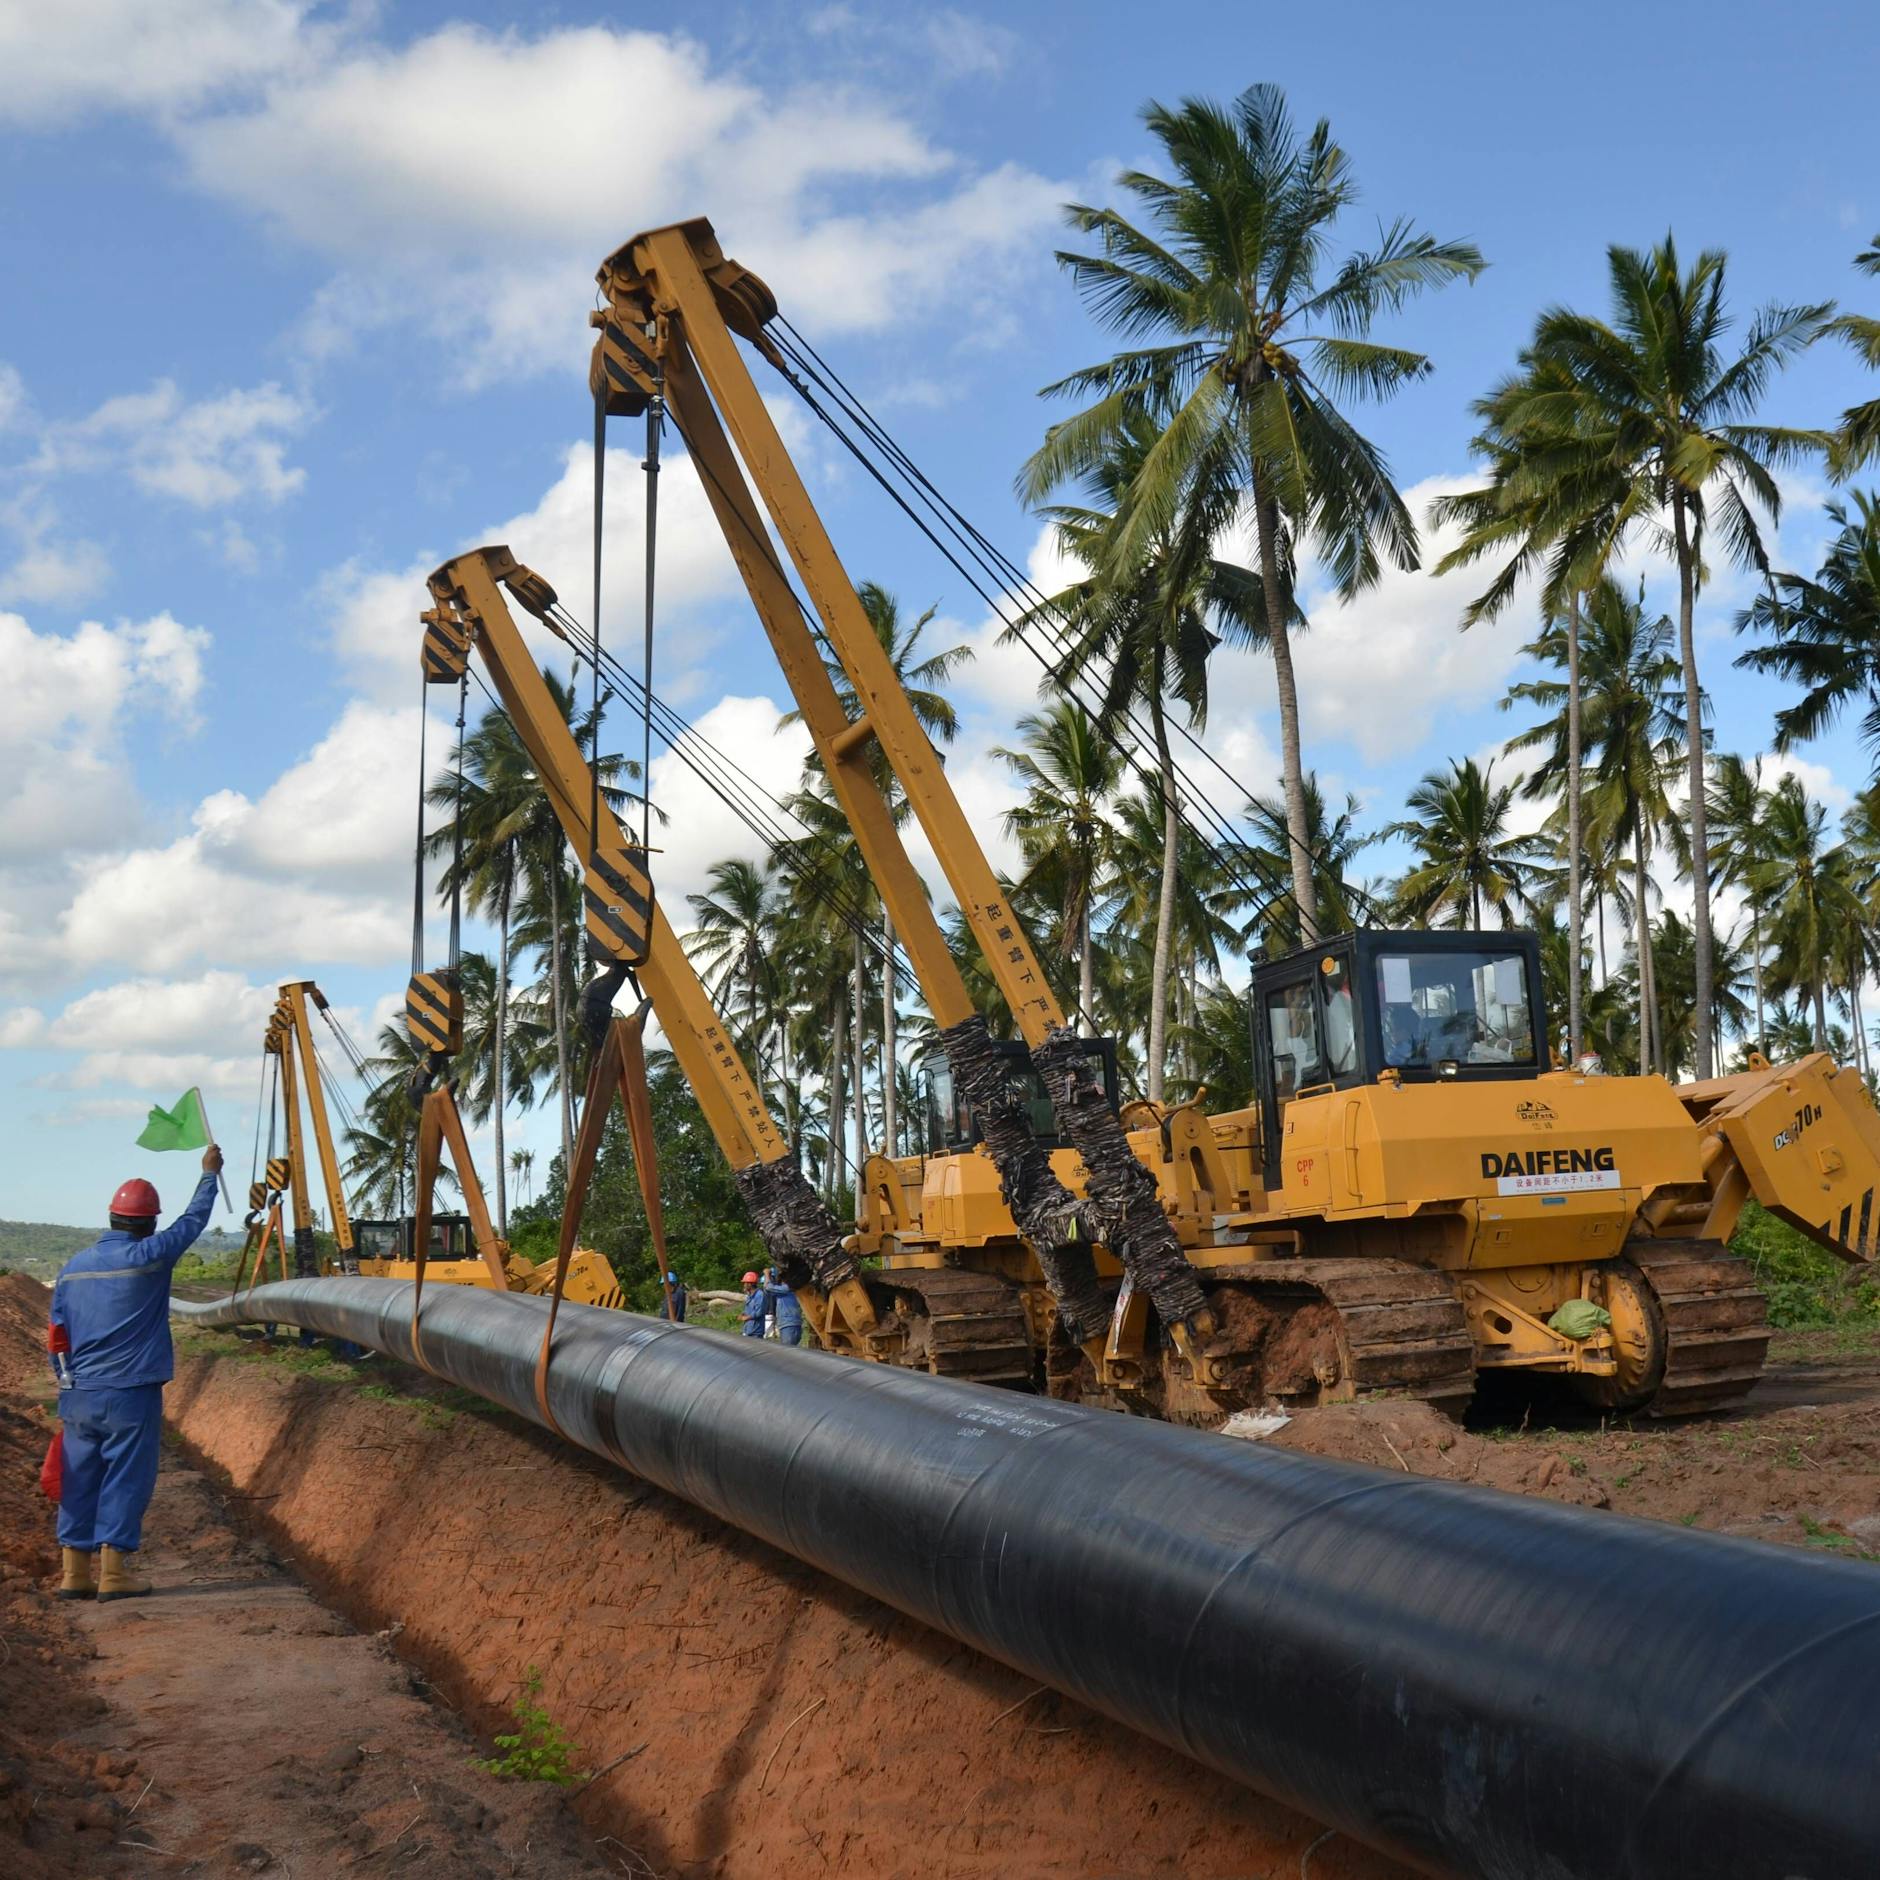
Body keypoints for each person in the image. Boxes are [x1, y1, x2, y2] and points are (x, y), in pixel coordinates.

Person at [48, 1146, 222, 1602]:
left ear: (111, 1217)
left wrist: (67, 1384)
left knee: (79, 1476)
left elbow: (57, 1337)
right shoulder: (151, 1256)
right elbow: (192, 1222)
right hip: (131, 1393)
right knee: (126, 1476)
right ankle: (114, 1574)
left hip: (79, 1393)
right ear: (148, 1224)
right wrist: (209, 1175)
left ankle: (73, 1574)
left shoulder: (72, 1270)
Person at [738, 1270, 765, 1338]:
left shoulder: (760, 1295)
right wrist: (743, 1314)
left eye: (745, 1283)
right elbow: (749, 1310)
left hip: (756, 1331)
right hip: (748, 1329)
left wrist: (746, 1317)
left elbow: (759, 1312)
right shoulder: (749, 1296)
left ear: (750, 1284)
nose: (744, 1285)